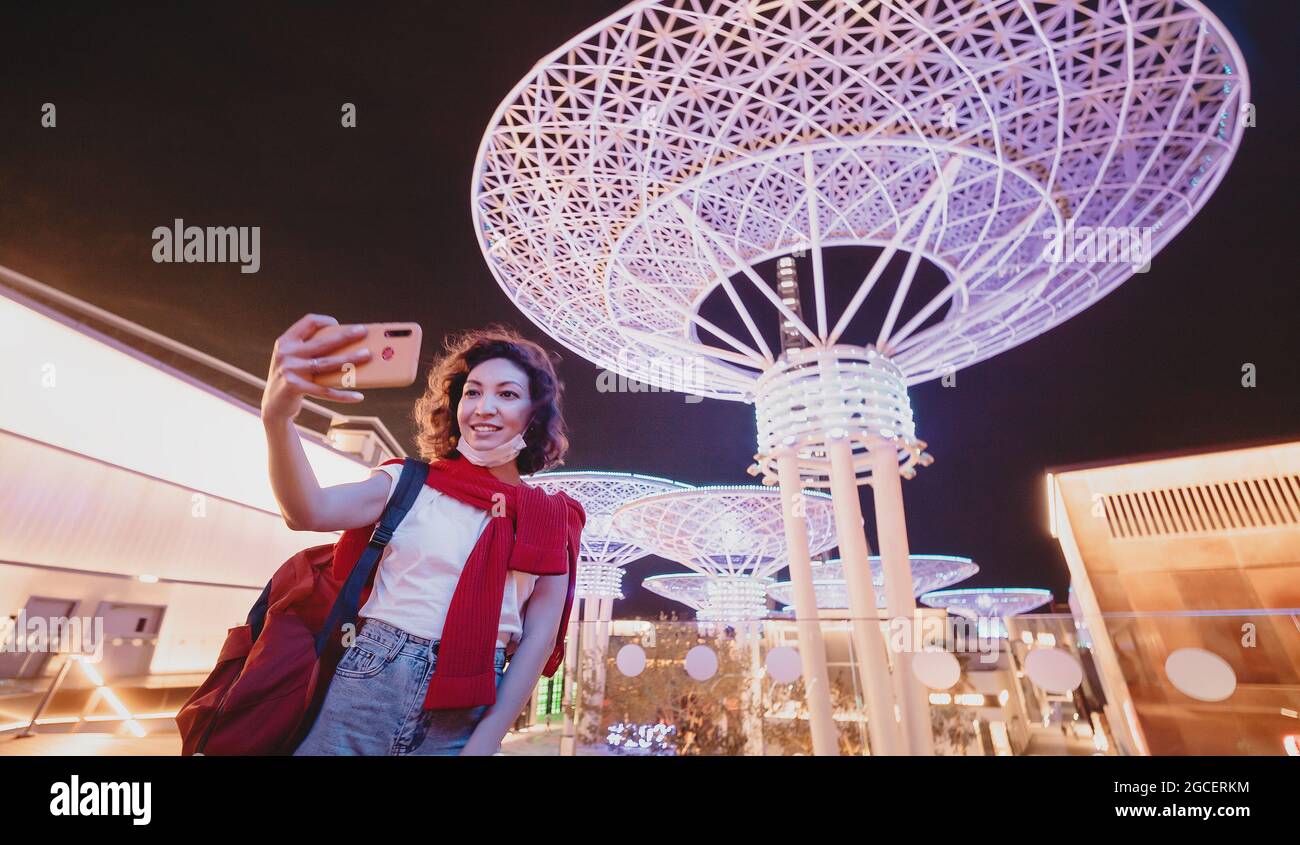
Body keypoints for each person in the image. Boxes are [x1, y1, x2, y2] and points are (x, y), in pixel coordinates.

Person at [260, 314, 583, 755]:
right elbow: (307, 511)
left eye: (507, 394)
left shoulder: (553, 516)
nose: (483, 408)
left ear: (534, 414)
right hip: (371, 672)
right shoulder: (410, 483)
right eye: (472, 393)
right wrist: (277, 419)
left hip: (467, 709)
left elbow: (537, 641)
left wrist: (483, 744)